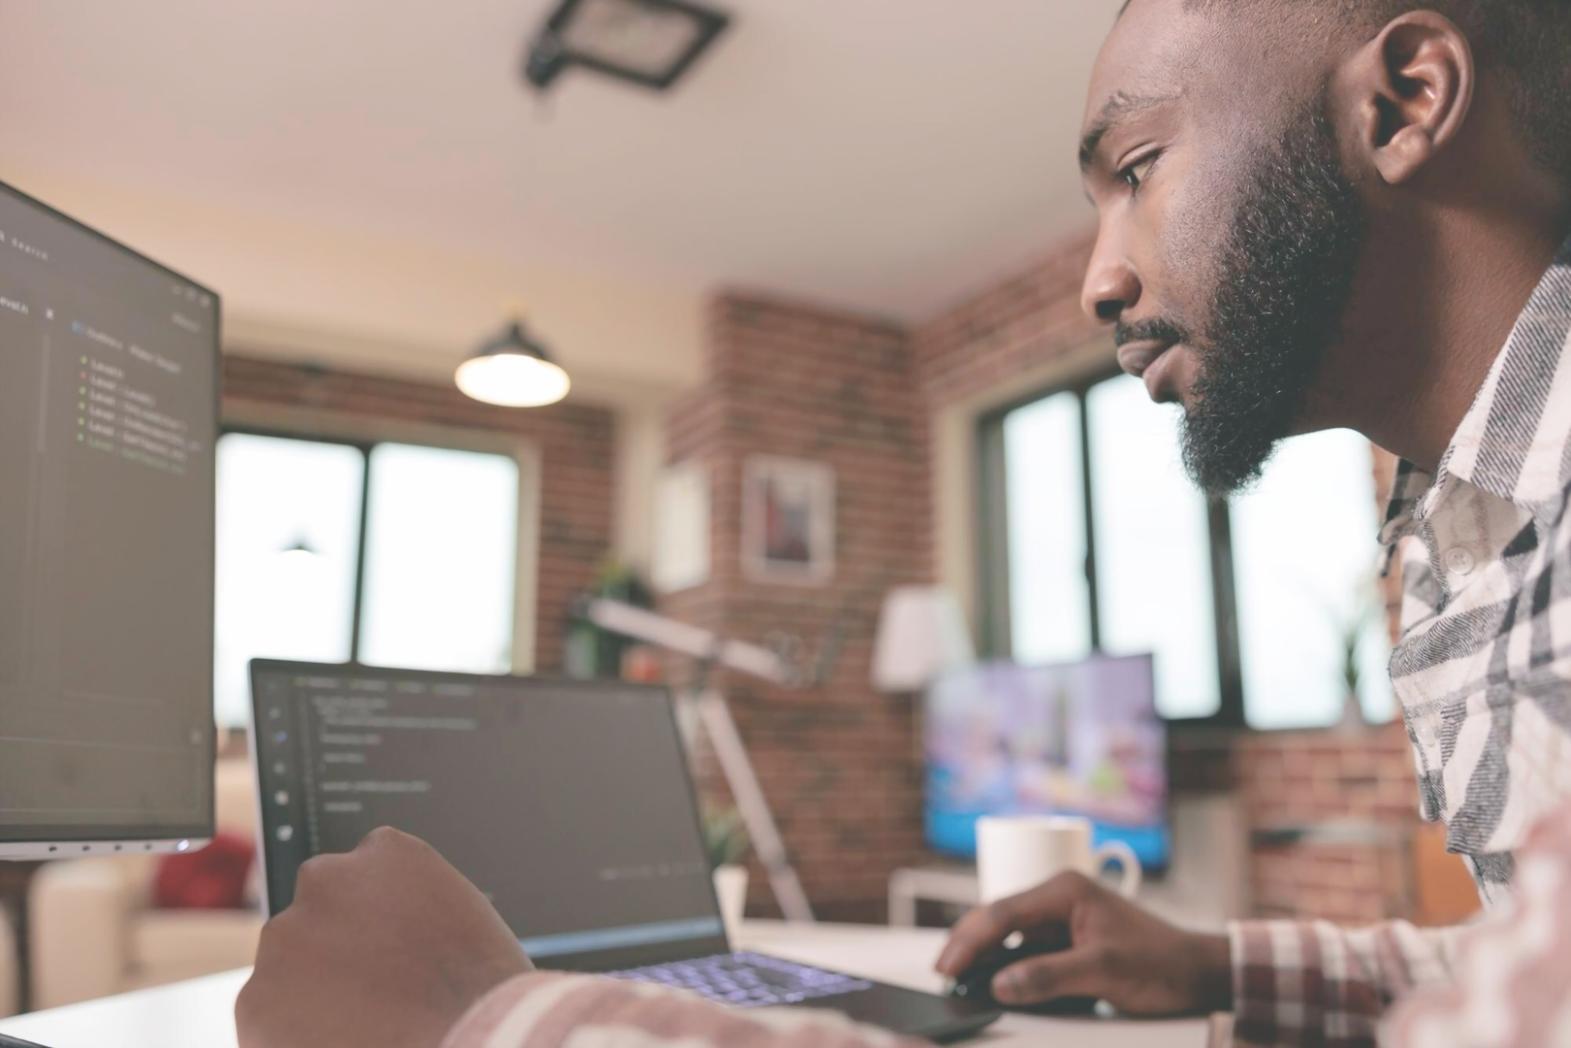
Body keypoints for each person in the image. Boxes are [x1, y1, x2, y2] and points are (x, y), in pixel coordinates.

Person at [236, 0, 1571, 1045]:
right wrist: (1210, 961)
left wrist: (489, 1022)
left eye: (1138, 168)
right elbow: (1527, 968)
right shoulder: (1466, 520)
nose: (1101, 280)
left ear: (1405, 101)